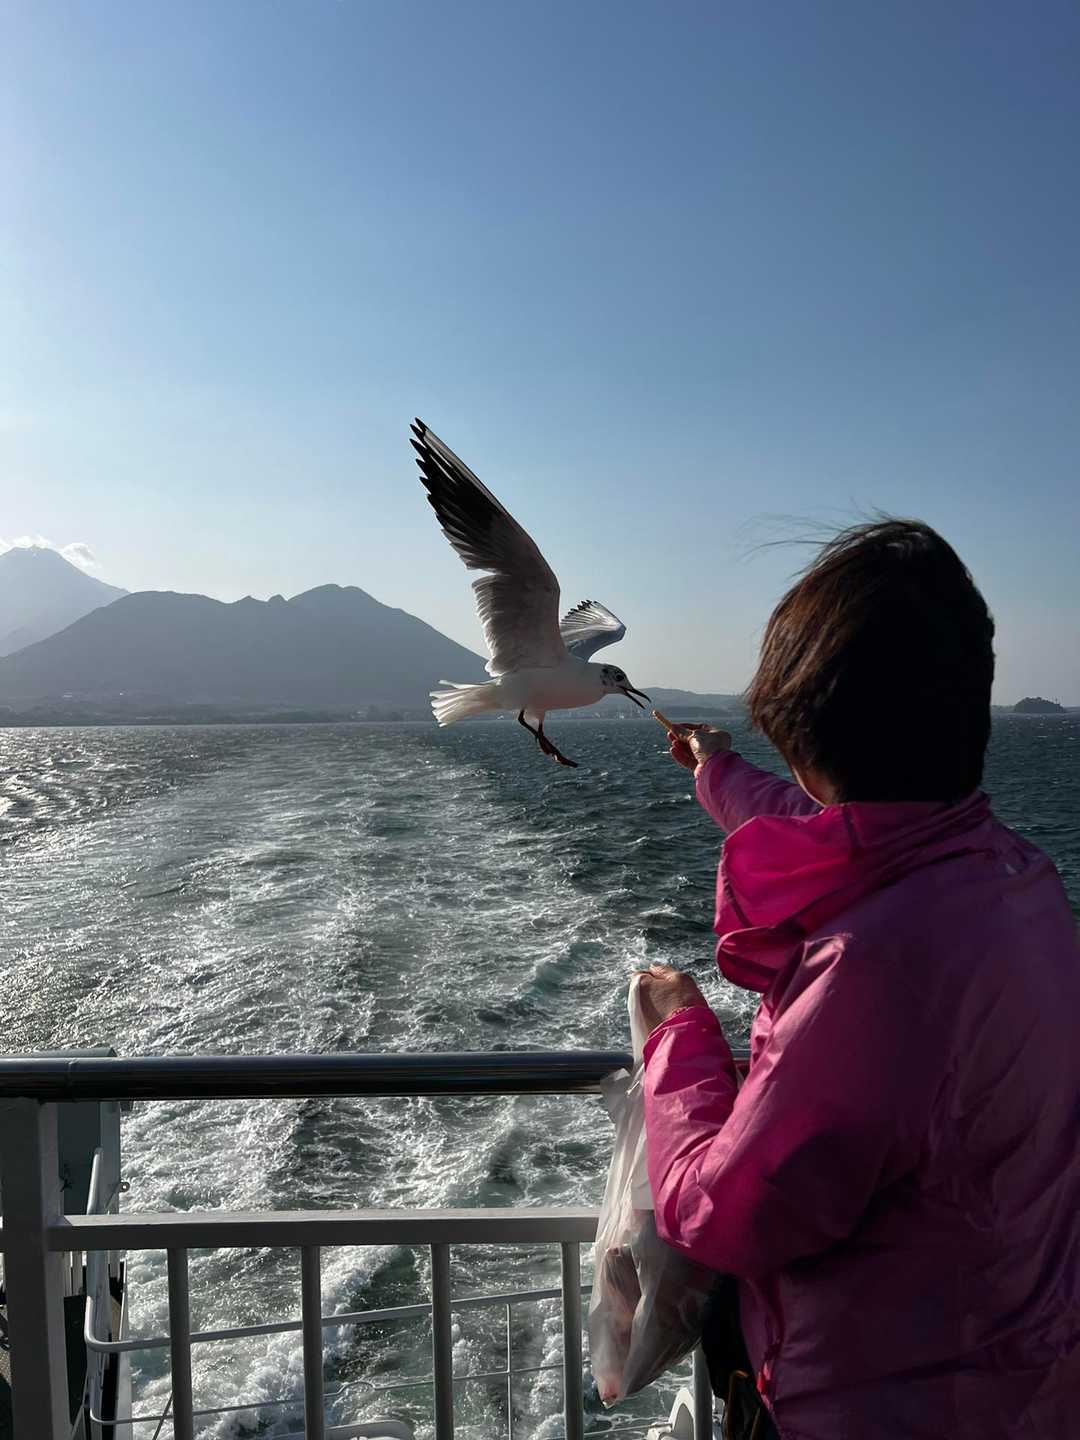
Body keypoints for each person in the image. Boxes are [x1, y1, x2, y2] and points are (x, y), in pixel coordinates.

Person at [636, 520, 1080, 1439]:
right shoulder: (1017, 878)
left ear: (804, 742)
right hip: (1029, 1381)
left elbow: (727, 1216)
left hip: (882, 1404)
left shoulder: (870, 970)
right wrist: (717, 770)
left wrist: (676, 1034)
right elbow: (835, 826)